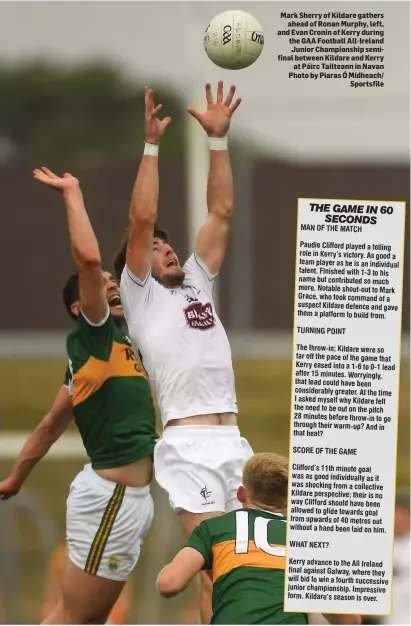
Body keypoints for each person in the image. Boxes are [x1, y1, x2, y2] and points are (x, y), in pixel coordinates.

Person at [115, 81, 253, 623]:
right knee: (219, 561)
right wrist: (151, 147)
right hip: (188, 445)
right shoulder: (140, 295)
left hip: (232, 439)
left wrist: (218, 141)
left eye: (170, 245)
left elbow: (220, 213)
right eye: (156, 248)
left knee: (243, 563)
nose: (167, 249)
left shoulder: (196, 280)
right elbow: (142, 218)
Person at [0, 168, 157, 625]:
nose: (111, 282)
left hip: (120, 500)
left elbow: (51, 423)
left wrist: (15, 479)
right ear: (79, 308)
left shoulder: (114, 352)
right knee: (80, 620)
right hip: (113, 498)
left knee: (72, 615)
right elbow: (88, 260)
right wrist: (73, 194)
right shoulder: (95, 336)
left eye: (114, 279)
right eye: (103, 282)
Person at [156, 453, 362, 626]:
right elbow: (349, 620)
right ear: (288, 500)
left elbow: (169, 583)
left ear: (241, 494)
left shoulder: (214, 529)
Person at [42, 542, 133, 624]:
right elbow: (53, 592)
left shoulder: (113, 552)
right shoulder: (63, 555)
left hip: (107, 616)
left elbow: (123, 589)